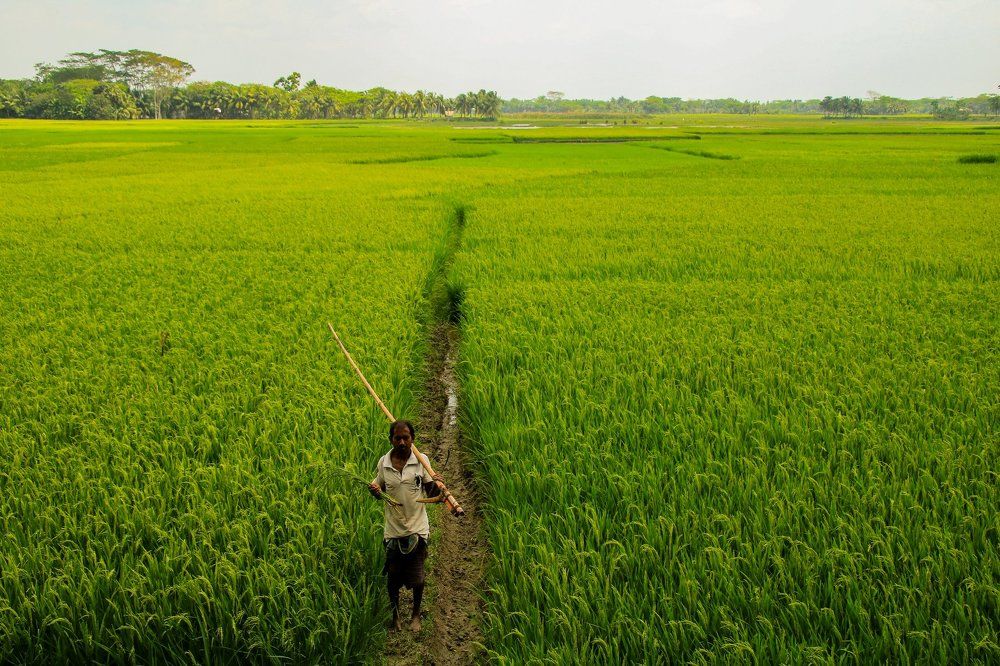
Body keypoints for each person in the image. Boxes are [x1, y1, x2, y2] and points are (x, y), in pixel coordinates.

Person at [369, 419, 443, 631]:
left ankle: (416, 614)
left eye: (406, 438)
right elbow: (379, 487)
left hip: (417, 527)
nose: (402, 442)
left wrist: (438, 484)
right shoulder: (384, 463)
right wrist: (374, 491)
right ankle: (395, 617)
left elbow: (431, 493)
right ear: (391, 439)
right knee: (393, 577)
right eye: (397, 438)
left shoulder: (421, 460)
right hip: (393, 529)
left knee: (418, 578)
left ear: (413, 439)